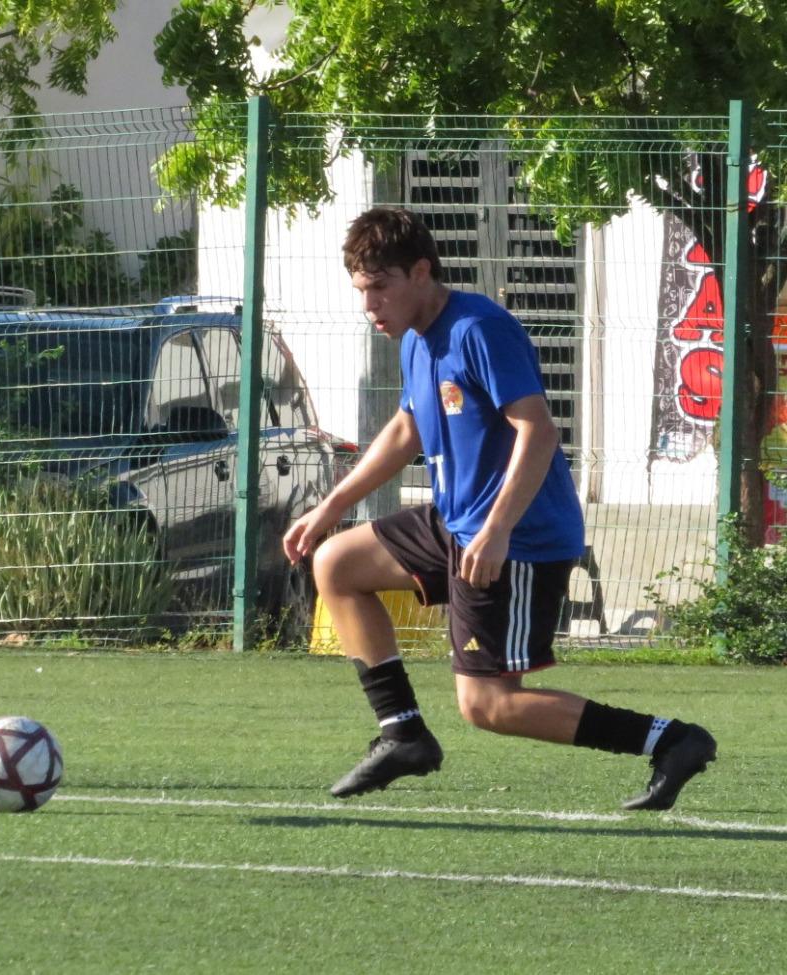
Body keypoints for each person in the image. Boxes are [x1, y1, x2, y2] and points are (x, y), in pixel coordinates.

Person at [283, 207, 716, 811]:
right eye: (362, 291)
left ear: (421, 272)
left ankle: (672, 740)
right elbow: (408, 427)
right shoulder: (416, 338)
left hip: (517, 536)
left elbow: (537, 431)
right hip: (457, 520)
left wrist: (497, 530)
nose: (370, 305)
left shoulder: (479, 328)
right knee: (336, 564)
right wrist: (331, 505)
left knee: (489, 706)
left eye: (380, 288)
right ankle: (403, 734)